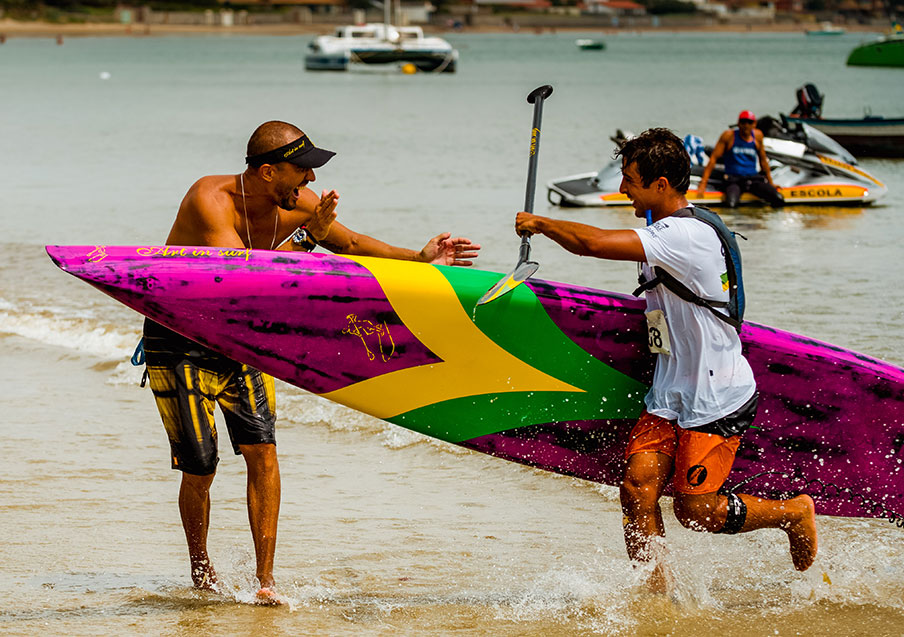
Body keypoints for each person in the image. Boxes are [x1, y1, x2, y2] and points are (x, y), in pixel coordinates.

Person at [143, 120, 481, 604]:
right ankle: (202, 570)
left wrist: (422, 258)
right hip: (181, 339)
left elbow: (353, 244)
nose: (311, 184)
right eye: (301, 172)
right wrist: (306, 241)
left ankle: (265, 581)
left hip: (242, 340)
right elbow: (240, 281)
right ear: (265, 172)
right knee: (201, 466)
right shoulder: (209, 200)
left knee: (263, 452)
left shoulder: (295, 203)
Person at [514, 128, 816, 593]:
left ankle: (793, 512)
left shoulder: (686, 234)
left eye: (630, 181)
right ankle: (656, 594)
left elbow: (592, 243)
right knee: (636, 490)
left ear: (660, 185)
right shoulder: (663, 231)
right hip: (669, 391)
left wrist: (543, 224)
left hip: (717, 394)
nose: (621, 190)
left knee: (696, 513)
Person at [696, 110, 785, 208]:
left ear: (754, 124)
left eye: (749, 122)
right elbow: (713, 159)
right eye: (743, 122)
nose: (746, 125)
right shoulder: (728, 136)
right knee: (731, 205)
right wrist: (703, 183)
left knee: (778, 199)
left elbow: (763, 161)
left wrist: (771, 183)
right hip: (734, 180)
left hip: (753, 179)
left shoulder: (758, 136)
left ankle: (762, 220)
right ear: (738, 123)